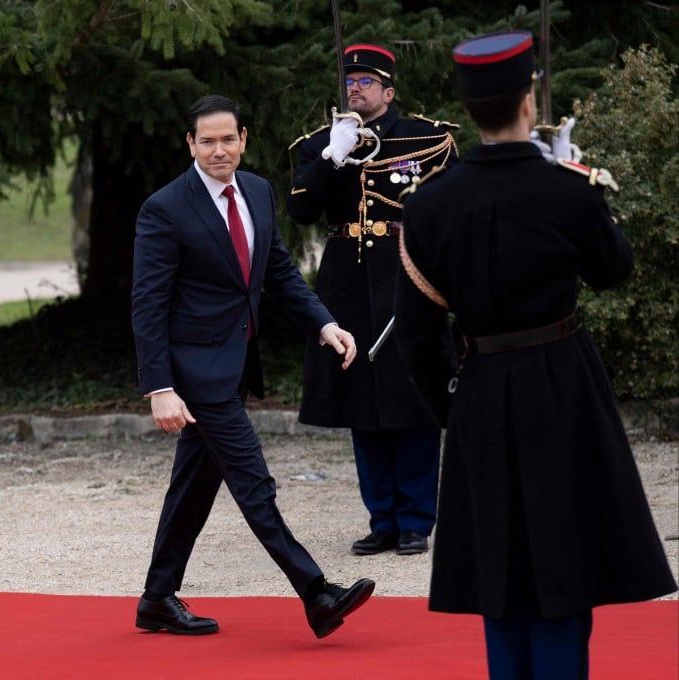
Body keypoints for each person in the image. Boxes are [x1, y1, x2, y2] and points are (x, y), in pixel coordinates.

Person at [392, 31, 677, 679]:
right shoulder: (567, 190)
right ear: (529, 101)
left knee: (502, 564)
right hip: (562, 384)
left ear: (470, 110)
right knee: (564, 557)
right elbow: (614, 271)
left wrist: (451, 410)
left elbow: (415, 334)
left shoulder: (430, 205)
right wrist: (586, 184)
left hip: (482, 387)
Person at [131, 94, 375, 639]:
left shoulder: (260, 192)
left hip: (235, 365)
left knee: (192, 488)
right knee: (253, 484)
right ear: (190, 144)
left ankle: (155, 599)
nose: (220, 150)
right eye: (207, 140)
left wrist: (324, 323)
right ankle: (317, 593)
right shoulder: (165, 208)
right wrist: (159, 387)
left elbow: (281, 274)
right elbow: (147, 304)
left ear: (244, 138)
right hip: (196, 375)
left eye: (229, 138)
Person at [286, 44, 459, 557]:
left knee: (414, 397)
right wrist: (332, 156)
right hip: (347, 283)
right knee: (360, 400)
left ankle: (415, 520)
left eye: (366, 81)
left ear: (389, 91)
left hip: (407, 276)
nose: (355, 88)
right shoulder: (321, 144)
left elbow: (451, 211)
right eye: (350, 81)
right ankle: (382, 518)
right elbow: (300, 211)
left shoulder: (427, 138)